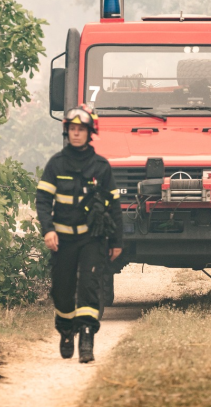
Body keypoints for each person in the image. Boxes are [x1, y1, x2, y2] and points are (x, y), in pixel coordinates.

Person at [35, 104, 123, 363]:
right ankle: (65, 330)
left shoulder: (101, 167)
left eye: (80, 129)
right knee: (62, 291)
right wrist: (48, 230)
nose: (76, 134)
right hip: (62, 241)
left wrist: (117, 240)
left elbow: (115, 205)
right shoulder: (56, 164)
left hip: (91, 239)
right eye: (72, 129)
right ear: (67, 132)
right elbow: (42, 199)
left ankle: (86, 338)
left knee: (89, 287)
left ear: (89, 132)